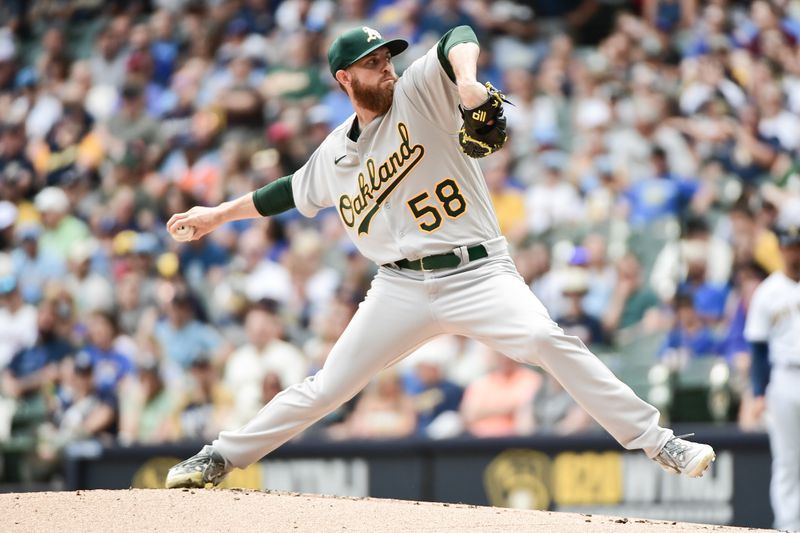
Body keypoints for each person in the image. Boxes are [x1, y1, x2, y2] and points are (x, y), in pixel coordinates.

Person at [164, 25, 716, 489]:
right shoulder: (334, 152)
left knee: (548, 340)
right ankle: (220, 457)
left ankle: (659, 442)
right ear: (343, 79)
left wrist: (471, 84)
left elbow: (459, 35)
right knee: (326, 387)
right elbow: (285, 191)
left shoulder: (419, 90)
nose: (385, 68)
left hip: (478, 271)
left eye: (386, 58)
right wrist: (216, 214)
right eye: (371, 63)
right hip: (398, 288)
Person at [744, 201, 800, 531]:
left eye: (797, 245)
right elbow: (758, 347)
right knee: (788, 459)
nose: (793, 252)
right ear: (779, 248)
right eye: (788, 246)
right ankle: (789, 526)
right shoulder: (768, 291)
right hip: (784, 378)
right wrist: (758, 392)